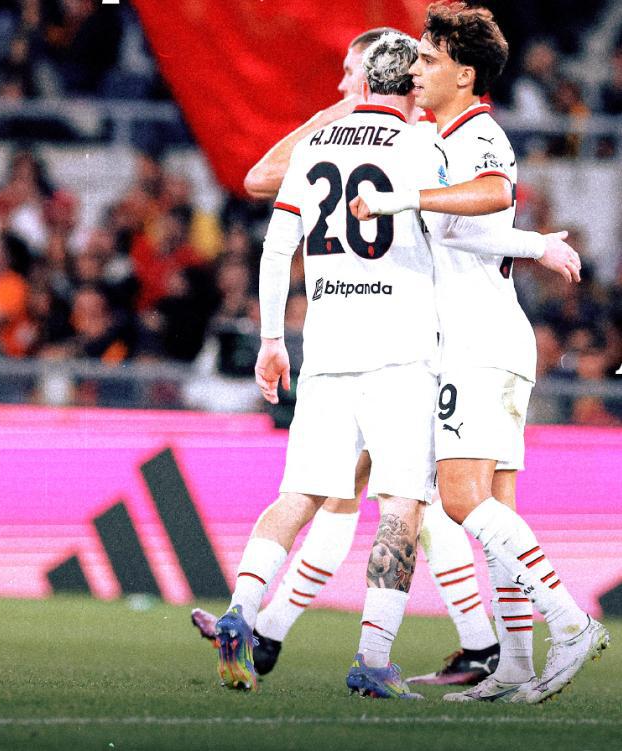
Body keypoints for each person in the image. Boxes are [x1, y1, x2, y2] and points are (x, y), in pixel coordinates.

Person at [195, 26, 504, 690]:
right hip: (404, 353)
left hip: (329, 351)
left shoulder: (317, 145)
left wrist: (272, 341)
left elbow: (276, 242)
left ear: (365, 79)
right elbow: (470, 224)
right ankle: (375, 657)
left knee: (302, 496)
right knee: (403, 504)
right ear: (412, 81)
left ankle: (246, 615)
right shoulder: (426, 146)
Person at [350, 2, 608, 703]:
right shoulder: (442, 135)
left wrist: (404, 198)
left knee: (462, 498)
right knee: (494, 508)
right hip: (484, 337)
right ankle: (517, 662)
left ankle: (570, 622)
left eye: (431, 59)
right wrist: (531, 243)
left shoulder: (480, 133)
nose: (418, 69)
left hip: (480, 341)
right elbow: (464, 231)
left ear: (465, 74)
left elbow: (493, 195)